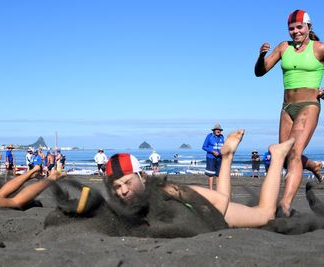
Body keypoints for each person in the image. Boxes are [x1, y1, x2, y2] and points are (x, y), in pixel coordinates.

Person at [105, 130, 296, 228]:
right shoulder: (125, 203)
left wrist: (208, 228)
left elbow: (220, 201)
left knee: (265, 214)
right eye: (117, 186)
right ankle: (227, 157)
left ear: (142, 176)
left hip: (219, 214)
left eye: (128, 182)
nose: (123, 191)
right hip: (206, 209)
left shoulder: (165, 189)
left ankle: (277, 155)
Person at [255, 10, 324, 216]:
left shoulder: (319, 48)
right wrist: (261, 56)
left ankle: (284, 205)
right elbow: (260, 71)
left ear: (308, 27)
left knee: (293, 153)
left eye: (299, 27)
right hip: (286, 108)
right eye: (291, 28)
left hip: (308, 105)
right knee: (282, 155)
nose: (295, 32)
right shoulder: (284, 47)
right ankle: (312, 164)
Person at [202, 124, 225, 190]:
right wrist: (212, 151)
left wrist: (222, 153)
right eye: (217, 129)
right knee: (211, 175)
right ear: (214, 130)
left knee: (218, 175)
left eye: (220, 130)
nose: (218, 131)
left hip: (220, 158)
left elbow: (223, 147)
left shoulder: (222, 137)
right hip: (211, 157)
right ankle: (211, 190)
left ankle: (218, 190)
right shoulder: (209, 136)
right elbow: (204, 147)